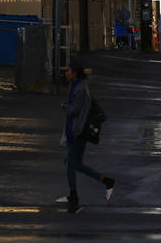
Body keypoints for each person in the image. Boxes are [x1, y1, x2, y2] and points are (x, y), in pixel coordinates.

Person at [58, 63, 115, 212]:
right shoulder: (78, 86)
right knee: (73, 163)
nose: (66, 73)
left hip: (78, 131)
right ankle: (103, 181)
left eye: (68, 71)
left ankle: (75, 194)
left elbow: (74, 110)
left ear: (75, 73)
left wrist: (65, 107)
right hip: (75, 130)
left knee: (72, 163)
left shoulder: (80, 88)